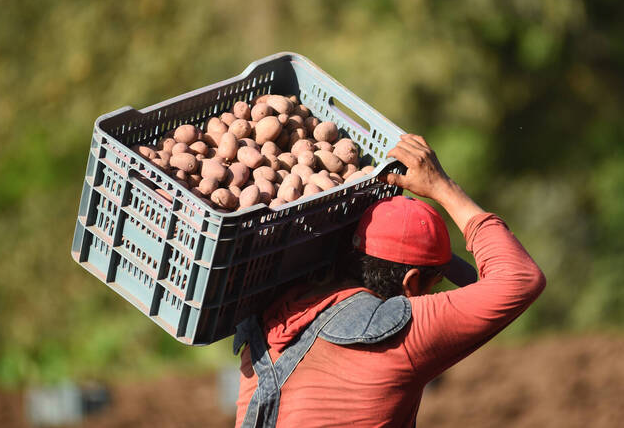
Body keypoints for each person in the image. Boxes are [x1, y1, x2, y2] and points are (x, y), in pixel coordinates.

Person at [233, 133, 546, 427]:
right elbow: (521, 277)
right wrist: (442, 187)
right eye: (433, 284)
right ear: (410, 283)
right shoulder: (404, 333)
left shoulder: (270, 315)